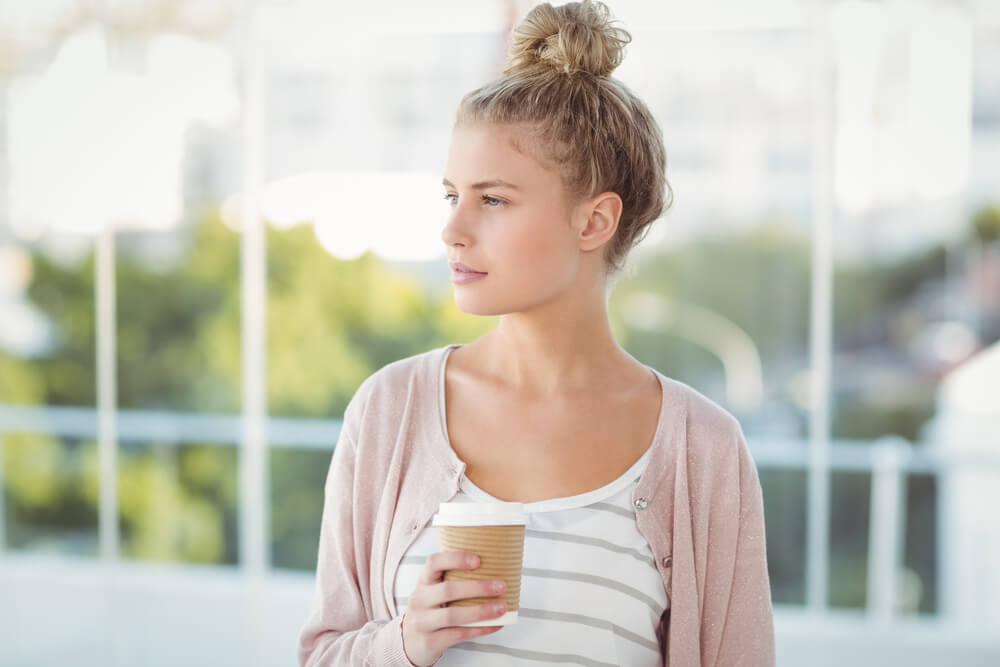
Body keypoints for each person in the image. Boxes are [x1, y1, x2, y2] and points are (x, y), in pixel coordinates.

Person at [297, 1, 775, 665]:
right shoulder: (389, 411)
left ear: (593, 222)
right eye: (451, 195)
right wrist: (403, 641)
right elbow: (321, 652)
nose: (453, 228)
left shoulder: (704, 453)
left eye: (492, 198)